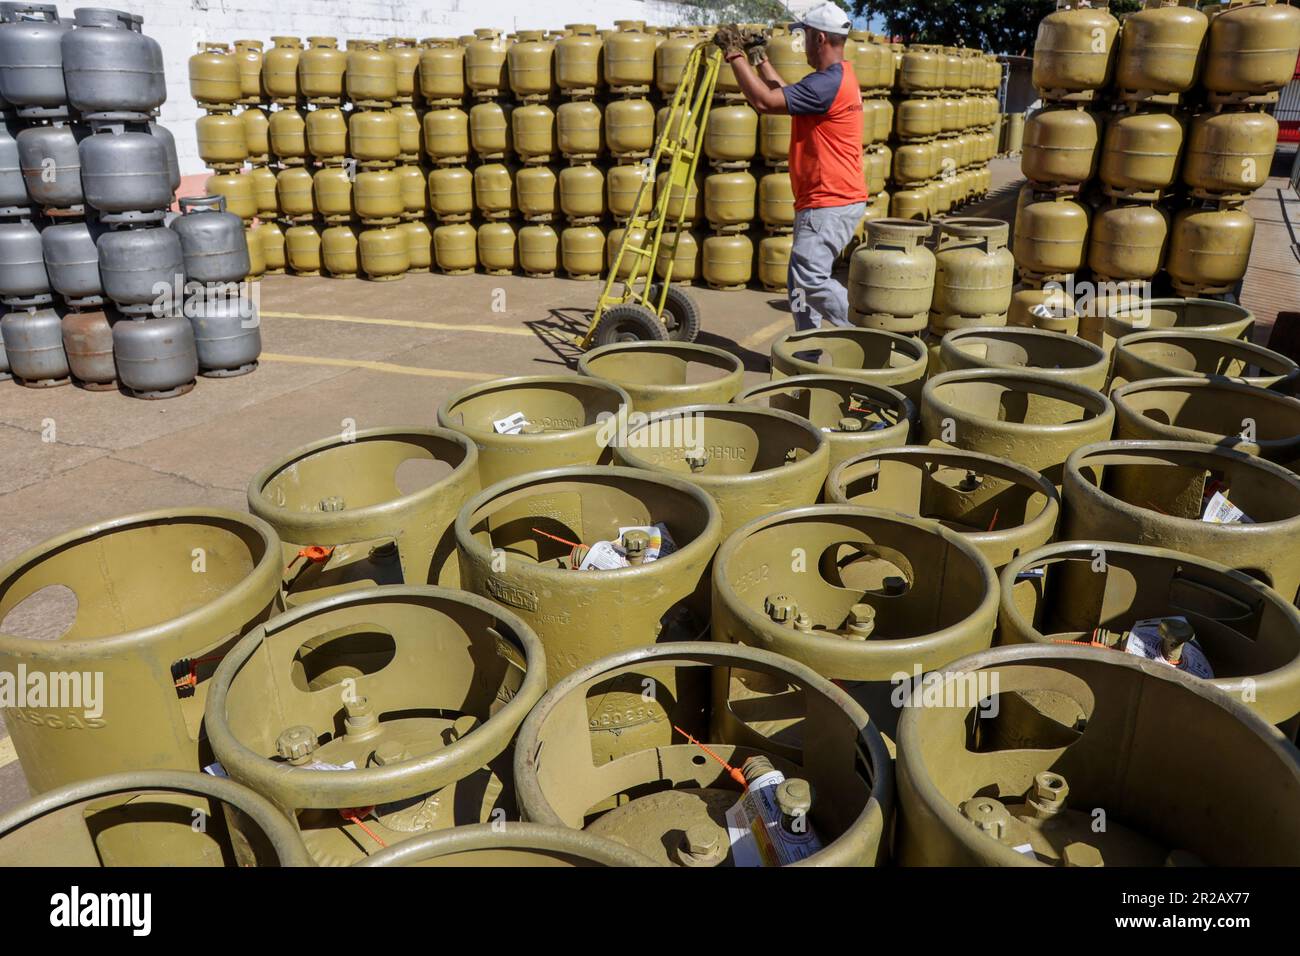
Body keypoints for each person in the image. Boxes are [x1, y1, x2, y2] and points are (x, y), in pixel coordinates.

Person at [714, 3, 868, 335]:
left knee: (810, 280)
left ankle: (869, 333)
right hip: (826, 198)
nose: (802, 43)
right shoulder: (837, 77)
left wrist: (733, 55)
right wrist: (759, 58)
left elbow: (765, 102)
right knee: (798, 286)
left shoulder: (827, 84)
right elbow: (785, 95)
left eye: (805, 35)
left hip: (830, 200)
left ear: (821, 39)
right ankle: (805, 356)